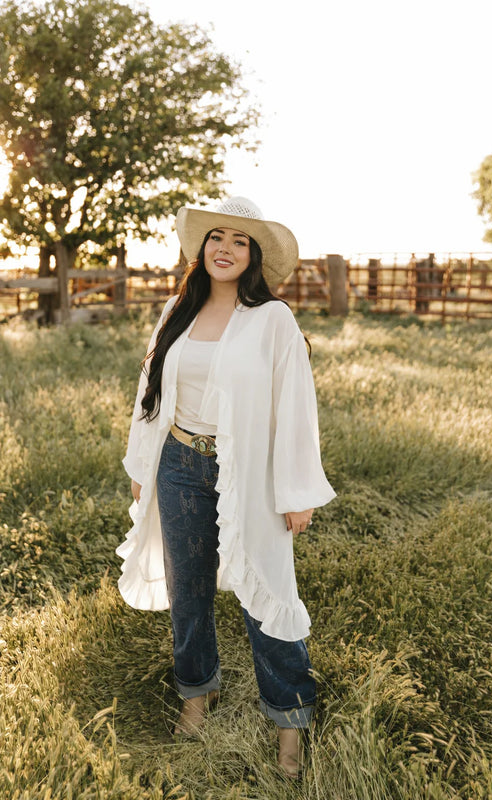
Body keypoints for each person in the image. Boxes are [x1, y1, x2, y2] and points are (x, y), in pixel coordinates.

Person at [116, 196, 336, 778]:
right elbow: (149, 396)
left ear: (253, 255)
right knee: (188, 590)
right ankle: (197, 693)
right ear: (201, 249)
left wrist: (296, 492)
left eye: (240, 241)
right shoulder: (176, 312)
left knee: (266, 587)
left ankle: (289, 716)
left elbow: (295, 409)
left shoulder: (273, 320)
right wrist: (143, 468)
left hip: (250, 471)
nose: (226, 248)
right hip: (180, 463)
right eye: (217, 237)